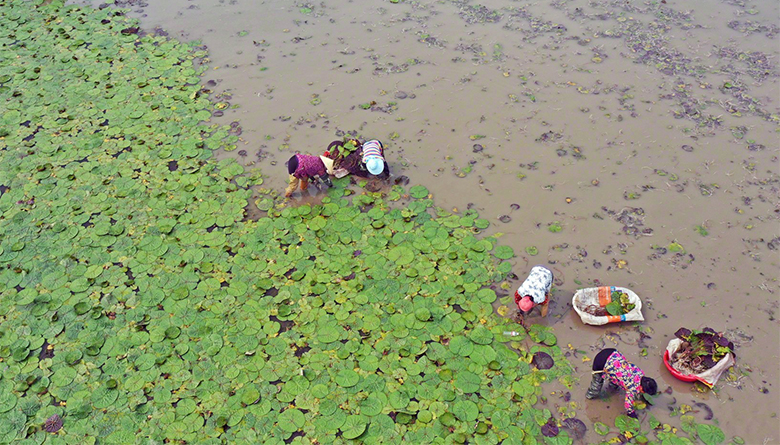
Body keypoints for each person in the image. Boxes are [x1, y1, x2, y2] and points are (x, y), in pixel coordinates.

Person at [586, 348, 658, 418]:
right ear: (641, 388)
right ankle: (589, 396)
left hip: (612, 353)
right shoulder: (632, 389)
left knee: (616, 380)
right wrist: (632, 415)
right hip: (601, 362)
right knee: (596, 385)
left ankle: (612, 386)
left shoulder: (640, 372)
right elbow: (628, 406)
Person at [325, 138, 390, 179]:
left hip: (376, 144)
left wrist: (387, 174)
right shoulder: (364, 160)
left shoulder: (380, 158)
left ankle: (385, 173)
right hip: (367, 146)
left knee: (383, 161)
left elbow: (384, 163)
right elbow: (363, 168)